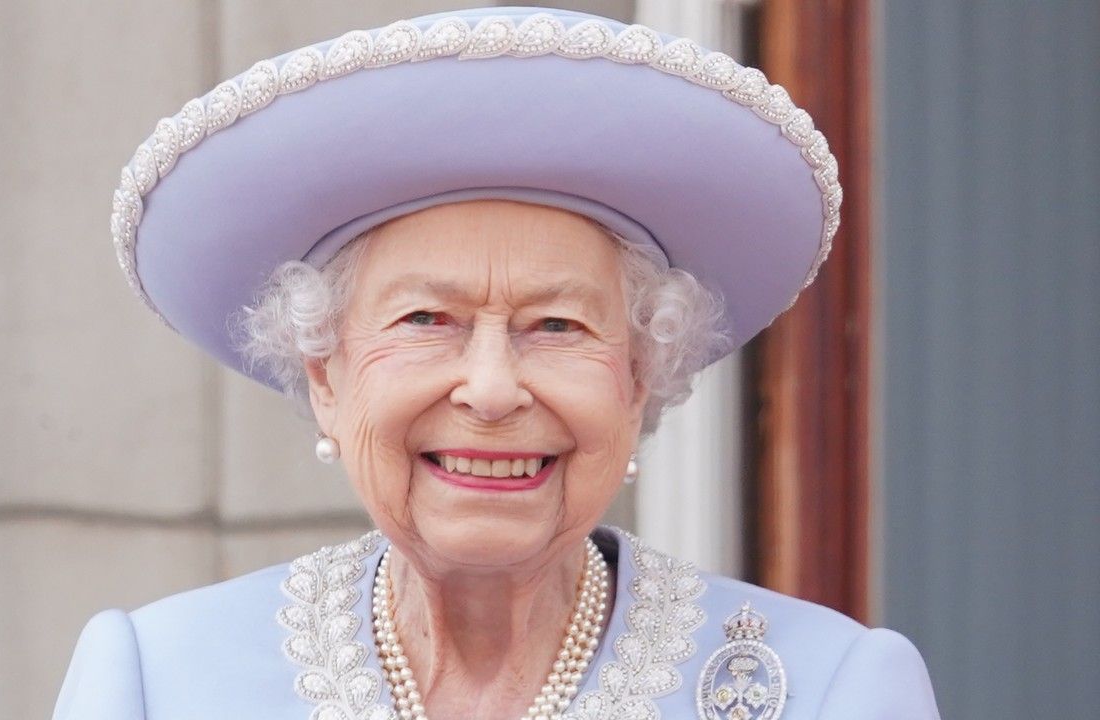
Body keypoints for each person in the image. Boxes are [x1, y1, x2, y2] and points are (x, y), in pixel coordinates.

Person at [57, 6, 940, 719]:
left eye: (555, 326)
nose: (489, 388)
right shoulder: (158, 682)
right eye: (426, 319)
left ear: (639, 377)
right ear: (325, 375)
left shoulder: (828, 690)